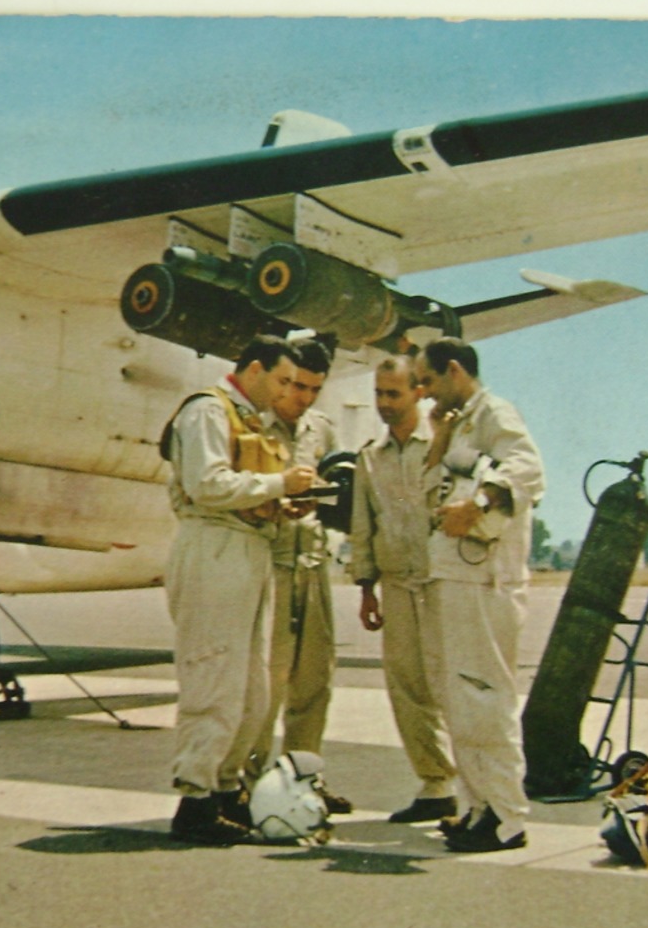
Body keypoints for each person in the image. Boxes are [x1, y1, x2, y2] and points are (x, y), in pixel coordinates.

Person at [159, 334, 316, 845]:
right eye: (282, 380)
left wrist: (283, 502)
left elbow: (246, 486)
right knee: (214, 675)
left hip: (250, 547)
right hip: (214, 548)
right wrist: (277, 487)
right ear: (253, 370)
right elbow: (206, 483)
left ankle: (225, 790)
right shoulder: (208, 411)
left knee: (252, 688)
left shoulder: (251, 420)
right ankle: (195, 801)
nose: (288, 391)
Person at [413, 337, 545, 852]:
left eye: (428, 382)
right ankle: (478, 806)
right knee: (460, 698)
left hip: (487, 580)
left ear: (454, 371)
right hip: (457, 577)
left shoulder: (495, 413)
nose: (423, 394)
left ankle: (507, 816)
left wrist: (482, 502)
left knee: (486, 696)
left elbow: (527, 468)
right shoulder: (457, 424)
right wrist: (440, 442)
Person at [349, 354, 459, 824]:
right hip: (395, 584)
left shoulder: (443, 444)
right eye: (378, 394)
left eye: (393, 393)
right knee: (407, 687)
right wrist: (366, 587)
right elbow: (362, 525)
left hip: (442, 584)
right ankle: (436, 785)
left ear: (419, 391)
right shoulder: (369, 457)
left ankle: (479, 786)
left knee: (454, 684)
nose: (384, 404)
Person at [245, 338, 353, 814]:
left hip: (311, 566)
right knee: (265, 685)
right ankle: (245, 784)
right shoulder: (252, 425)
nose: (304, 398)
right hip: (270, 567)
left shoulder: (321, 430)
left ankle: (303, 780)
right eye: (298, 386)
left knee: (314, 682)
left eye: (315, 389)